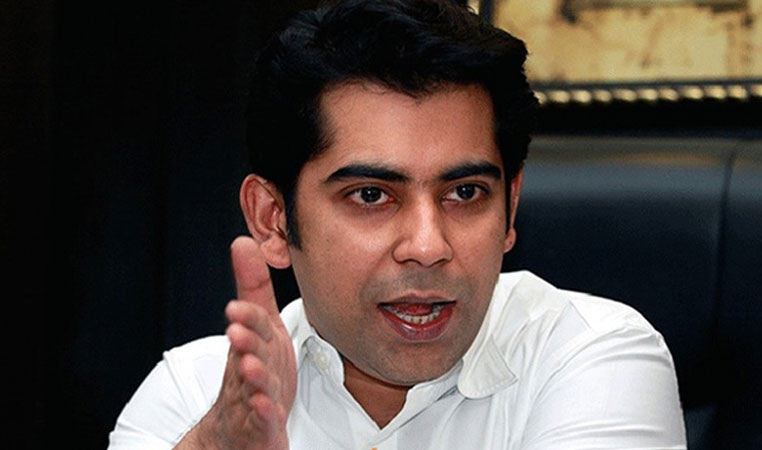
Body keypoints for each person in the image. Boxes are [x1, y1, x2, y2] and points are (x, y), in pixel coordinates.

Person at [108, 0, 687, 448]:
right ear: (274, 220)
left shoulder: (593, 356)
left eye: (465, 192)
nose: (428, 246)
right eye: (371, 195)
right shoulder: (195, 395)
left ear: (510, 208)